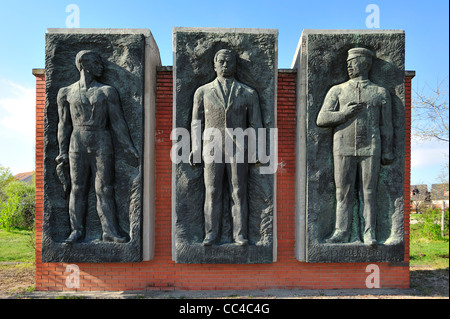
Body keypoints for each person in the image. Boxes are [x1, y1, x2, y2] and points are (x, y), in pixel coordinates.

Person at [56, 50, 139, 244]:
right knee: (77, 188)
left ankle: (109, 231)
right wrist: (61, 152)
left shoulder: (107, 91)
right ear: (84, 65)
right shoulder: (65, 93)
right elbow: (63, 125)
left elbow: (118, 122)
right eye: (96, 62)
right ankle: (76, 231)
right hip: (77, 143)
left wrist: (128, 147)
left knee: (104, 188)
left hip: (102, 141)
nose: (101, 65)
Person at [316, 47, 394, 246]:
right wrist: (343, 114)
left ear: (365, 64)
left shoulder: (380, 92)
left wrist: (388, 150)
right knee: (343, 192)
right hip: (343, 147)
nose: (349, 66)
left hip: (371, 147)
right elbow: (322, 118)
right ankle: (341, 232)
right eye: (348, 63)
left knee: (369, 192)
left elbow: (387, 125)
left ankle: (370, 233)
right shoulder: (338, 90)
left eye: (353, 62)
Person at [189, 49, 263, 246]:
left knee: (238, 191)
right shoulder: (202, 92)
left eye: (229, 62)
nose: (225, 65)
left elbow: (256, 124)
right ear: (214, 64)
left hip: (239, 148)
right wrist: (196, 149)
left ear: (235, 65)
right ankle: (211, 234)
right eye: (221, 61)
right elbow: (197, 122)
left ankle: (240, 234)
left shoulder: (248, 93)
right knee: (212, 191)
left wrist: (257, 151)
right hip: (211, 148)